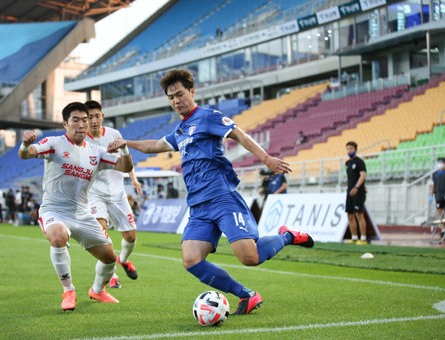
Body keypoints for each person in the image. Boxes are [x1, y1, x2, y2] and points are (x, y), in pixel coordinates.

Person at [126, 69, 314, 315]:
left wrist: (266, 158)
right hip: (198, 206)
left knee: (250, 257)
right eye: (171, 97)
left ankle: (287, 236)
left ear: (192, 91)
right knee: (191, 260)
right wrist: (125, 142)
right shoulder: (181, 131)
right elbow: (154, 145)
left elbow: (239, 134)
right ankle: (247, 295)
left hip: (222, 198)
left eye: (180, 94)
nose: (176, 100)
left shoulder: (207, 116)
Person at [18, 102, 133, 311]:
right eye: (76, 120)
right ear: (65, 124)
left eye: (85, 120)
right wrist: (25, 145)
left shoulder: (97, 152)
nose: (81, 124)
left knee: (109, 258)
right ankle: (68, 290)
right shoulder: (54, 143)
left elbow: (125, 167)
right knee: (57, 236)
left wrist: (124, 149)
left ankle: (98, 290)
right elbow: (26, 154)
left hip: (82, 213)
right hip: (54, 211)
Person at [85, 100, 143, 289]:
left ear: (102, 116)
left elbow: (125, 157)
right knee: (101, 234)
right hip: (95, 194)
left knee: (131, 237)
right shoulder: (82, 140)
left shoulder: (113, 134)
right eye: (89, 117)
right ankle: (111, 275)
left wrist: (133, 178)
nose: (94, 120)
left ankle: (123, 259)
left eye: (96, 116)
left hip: (118, 193)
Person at [345, 141, 368, 245]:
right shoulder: (347, 163)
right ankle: (354, 237)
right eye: (348, 149)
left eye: (351, 149)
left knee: (359, 214)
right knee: (350, 214)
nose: (349, 151)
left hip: (358, 191)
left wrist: (357, 187)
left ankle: (363, 238)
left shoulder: (360, 162)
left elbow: (362, 175)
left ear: (355, 150)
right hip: (349, 191)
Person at [432, 157, 445, 239]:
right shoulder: (435, 174)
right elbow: (433, 185)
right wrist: (431, 194)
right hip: (438, 196)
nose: (440, 164)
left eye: (441, 162)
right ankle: (443, 230)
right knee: (441, 214)